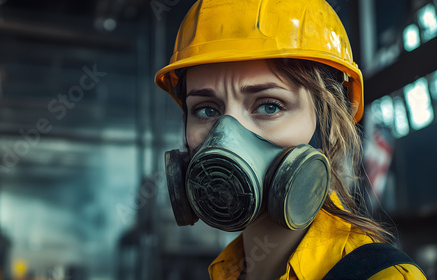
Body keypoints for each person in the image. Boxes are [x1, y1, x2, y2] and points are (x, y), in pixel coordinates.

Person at [154, 0, 427, 279]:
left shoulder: (384, 275)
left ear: (332, 124)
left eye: (269, 106)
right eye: (206, 110)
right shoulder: (228, 271)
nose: (224, 139)